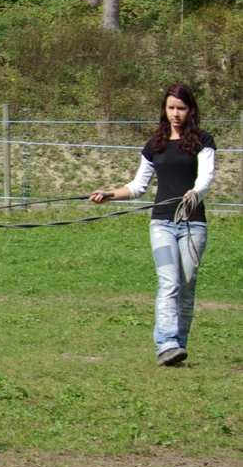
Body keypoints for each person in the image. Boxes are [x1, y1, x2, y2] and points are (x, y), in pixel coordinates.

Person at [89, 83, 215, 366]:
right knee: (169, 282)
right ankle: (166, 343)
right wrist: (109, 195)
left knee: (186, 286)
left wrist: (195, 193)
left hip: (193, 224)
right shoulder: (154, 145)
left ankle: (178, 346)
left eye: (181, 108)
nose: (175, 114)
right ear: (164, 109)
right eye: (171, 108)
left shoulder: (203, 142)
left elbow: (205, 178)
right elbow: (137, 186)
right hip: (162, 224)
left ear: (190, 110)